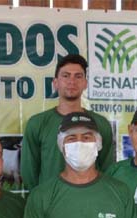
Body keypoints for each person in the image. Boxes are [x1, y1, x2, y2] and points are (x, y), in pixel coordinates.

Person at [20, 54, 114, 189]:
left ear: (85, 83)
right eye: (66, 76)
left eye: (78, 76)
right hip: (50, 203)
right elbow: (29, 173)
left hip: (91, 201)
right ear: (55, 83)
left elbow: (107, 168)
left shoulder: (100, 124)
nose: (72, 81)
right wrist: (42, 198)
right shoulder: (37, 123)